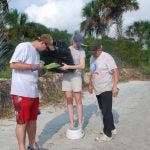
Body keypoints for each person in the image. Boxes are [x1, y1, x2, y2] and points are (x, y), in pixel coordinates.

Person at [10, 34, 54, 150]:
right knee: (22, 122)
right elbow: (13, 64)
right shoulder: (24, 46)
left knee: (32, 120)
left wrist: (42, 70)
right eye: (47, 48)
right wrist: (34, 66)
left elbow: (32, 70)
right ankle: (22, 148)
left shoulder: (36, 53)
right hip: (21, 91)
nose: (46, 50)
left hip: (33, 92)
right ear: (43, 43)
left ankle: (32, 146)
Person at [88, 40, 119, 142]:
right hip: (97, 89)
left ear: (99, 49)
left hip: (106, 87)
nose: (93, 53)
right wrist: (90, 84)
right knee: (104, 110)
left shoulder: (107, 57)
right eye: (91, 52)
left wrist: (114, 87)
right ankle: (112, 128)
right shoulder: (92, 58)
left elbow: (115, 71)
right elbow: (91, 72)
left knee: (106, 111)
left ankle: (107, 134)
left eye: (94, 51)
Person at [60, 31, 85, 129]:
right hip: (66, 77)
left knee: (78, 100)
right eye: (76, 43)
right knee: (69, 101)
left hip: (76, 77)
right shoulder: (67, 49)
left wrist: (68, 67)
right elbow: (62, 63)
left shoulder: (81, 51)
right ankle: (71, 123)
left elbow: (82, 66)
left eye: (79, 43)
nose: (78, 45)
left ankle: (80, 122)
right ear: (73, 41)